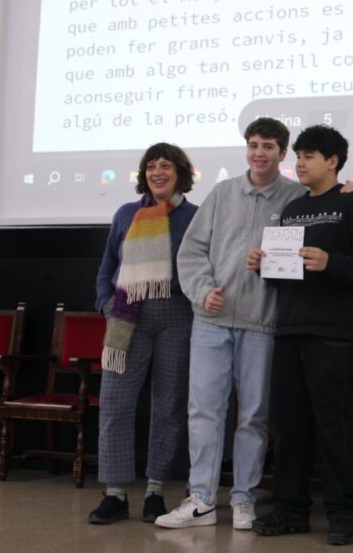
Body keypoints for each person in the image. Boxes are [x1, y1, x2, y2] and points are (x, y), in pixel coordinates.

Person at [157, 118, 304, 531]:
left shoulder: (297, 198)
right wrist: (202, 291)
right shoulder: (222, 193)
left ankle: (243, 498)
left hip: (262, 323)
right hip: (211, 321)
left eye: (268, 146)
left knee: (254, 416)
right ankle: (202, 498)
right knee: (204, 410)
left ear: (282, 152)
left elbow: (300, 259)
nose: (259, 153)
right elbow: (191, 252)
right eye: (254, 144)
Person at [247, 125, 353, 546]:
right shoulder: (292, 209)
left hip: (337, 333)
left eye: (309, 156)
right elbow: (286, 274)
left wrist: (332, 262)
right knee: (290, 425)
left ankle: (342, 513)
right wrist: (264, 265)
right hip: (290, 328)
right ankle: (290, 508)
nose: (300, 163)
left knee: (336, 426)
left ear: (333, 161)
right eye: (299, 156)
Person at [89, 143, 198, 525]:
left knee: (169, 406)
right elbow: (107, 267)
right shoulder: (125, 214)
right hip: (126, 317)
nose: (157, 172)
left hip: (177, 316)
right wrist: (106, 304)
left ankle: (155, 491)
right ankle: (115, 494)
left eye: (165, 165)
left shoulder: (195, 217)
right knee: (114, 403)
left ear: (180, 173)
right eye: (151, 166)